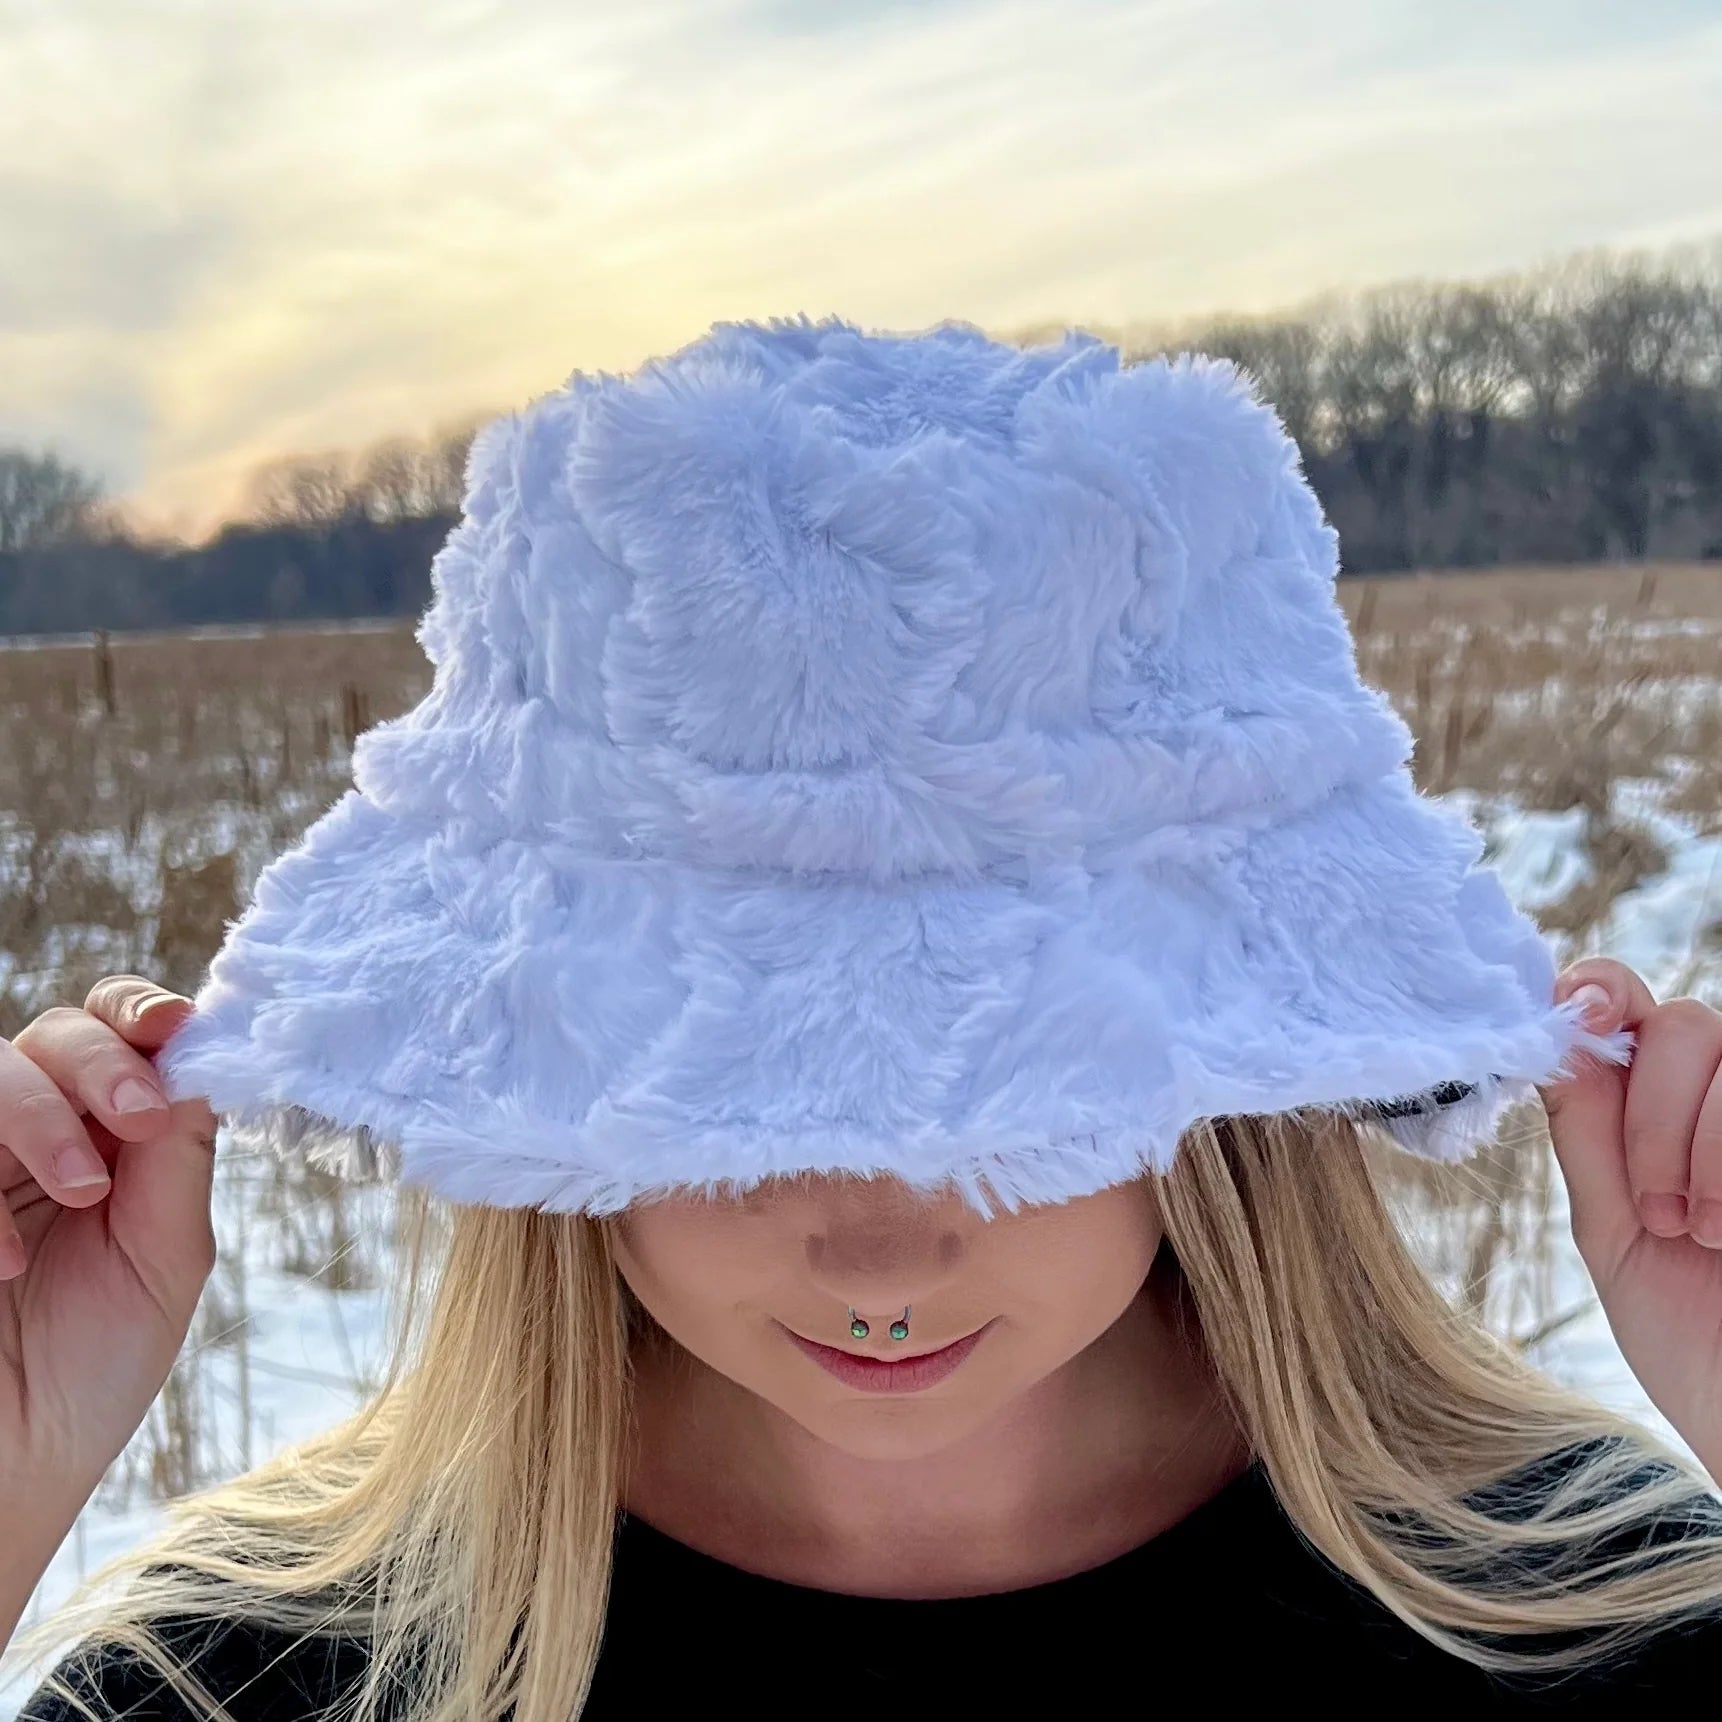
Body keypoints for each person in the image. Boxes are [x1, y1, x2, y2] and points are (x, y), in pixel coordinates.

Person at [4, 319, 1722, 1719]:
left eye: (997, 1105)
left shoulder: (1591, 1614)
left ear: (1221, 1064)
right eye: (753, 1105)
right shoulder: (262, 1675)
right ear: (562, 1065)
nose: (877, 1253)